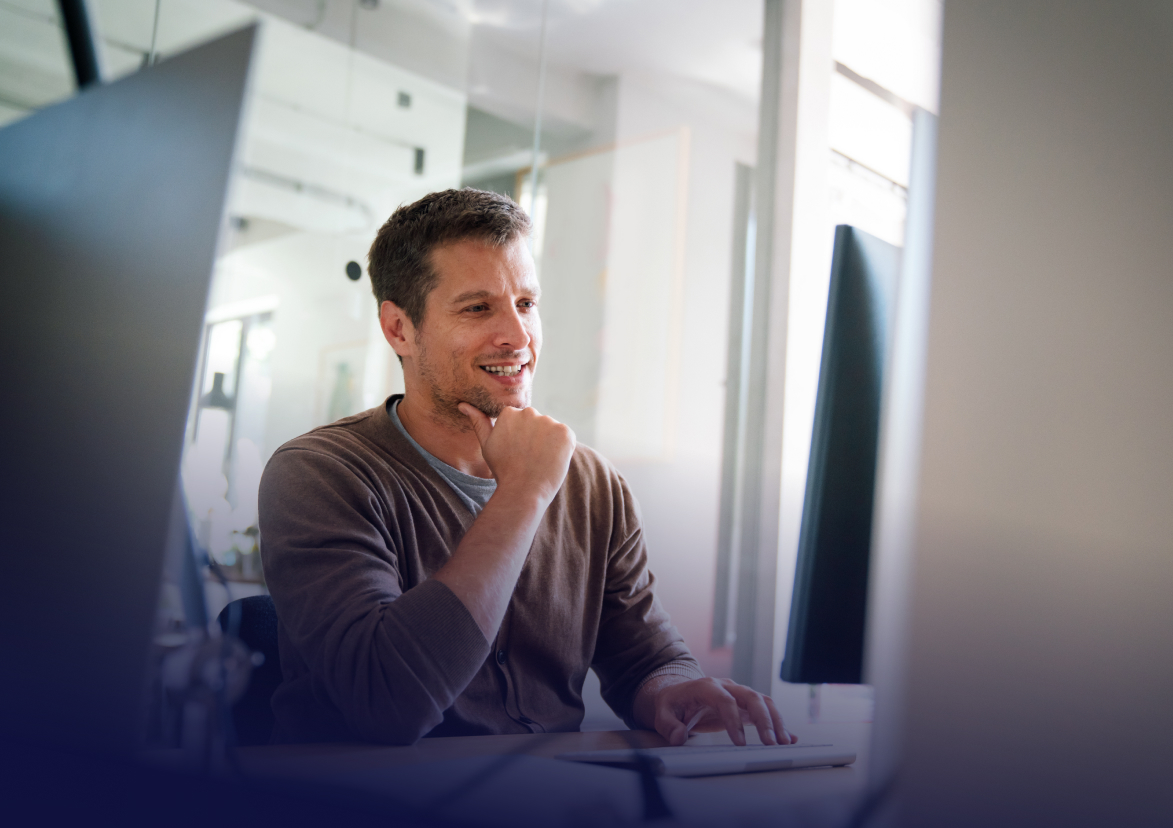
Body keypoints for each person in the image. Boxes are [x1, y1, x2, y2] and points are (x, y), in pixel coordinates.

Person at [258, 188, 795, 747]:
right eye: (477, 307)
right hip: (365, 790)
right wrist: (522, 493)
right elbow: (387, 701)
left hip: (546, 786)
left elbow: (648, 658)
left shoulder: (592, 483)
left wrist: (673, 690)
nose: (518, 337)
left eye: (526, 303)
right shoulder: (318, 474)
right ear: (399, 329)